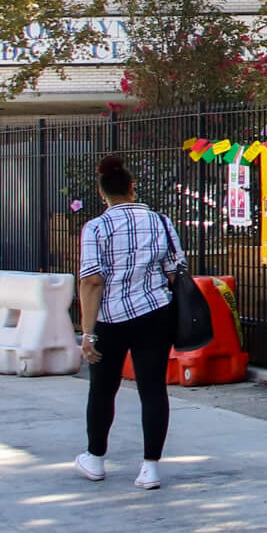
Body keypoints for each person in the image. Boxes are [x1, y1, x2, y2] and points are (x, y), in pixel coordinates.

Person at [75, 154, 182, 490]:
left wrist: (88, 334)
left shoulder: (96, 228)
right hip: (154, 314)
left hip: (109, 319)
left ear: (101, 191)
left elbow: (92, 281)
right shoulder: (161, 222)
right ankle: (150, 468)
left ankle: (95, 459)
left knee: (103, 390)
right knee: (153, 389)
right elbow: (174, 270)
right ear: (132, 187)